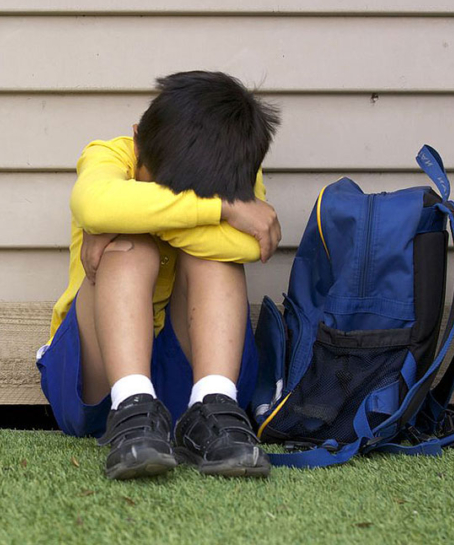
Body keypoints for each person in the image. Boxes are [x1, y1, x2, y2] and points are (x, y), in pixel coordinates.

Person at [35, 71, 282, 480]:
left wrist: (133, 215)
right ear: (136, 139)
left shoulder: (231, 164)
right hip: (99, 382)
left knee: (215, 259)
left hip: (202, 376)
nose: (169, 200)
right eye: (157, 189)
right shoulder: (112, 155)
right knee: (131, 250)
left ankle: (214, 405)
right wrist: (217, 210)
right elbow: (94, 205)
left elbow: (251, 247)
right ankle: (132, 407)